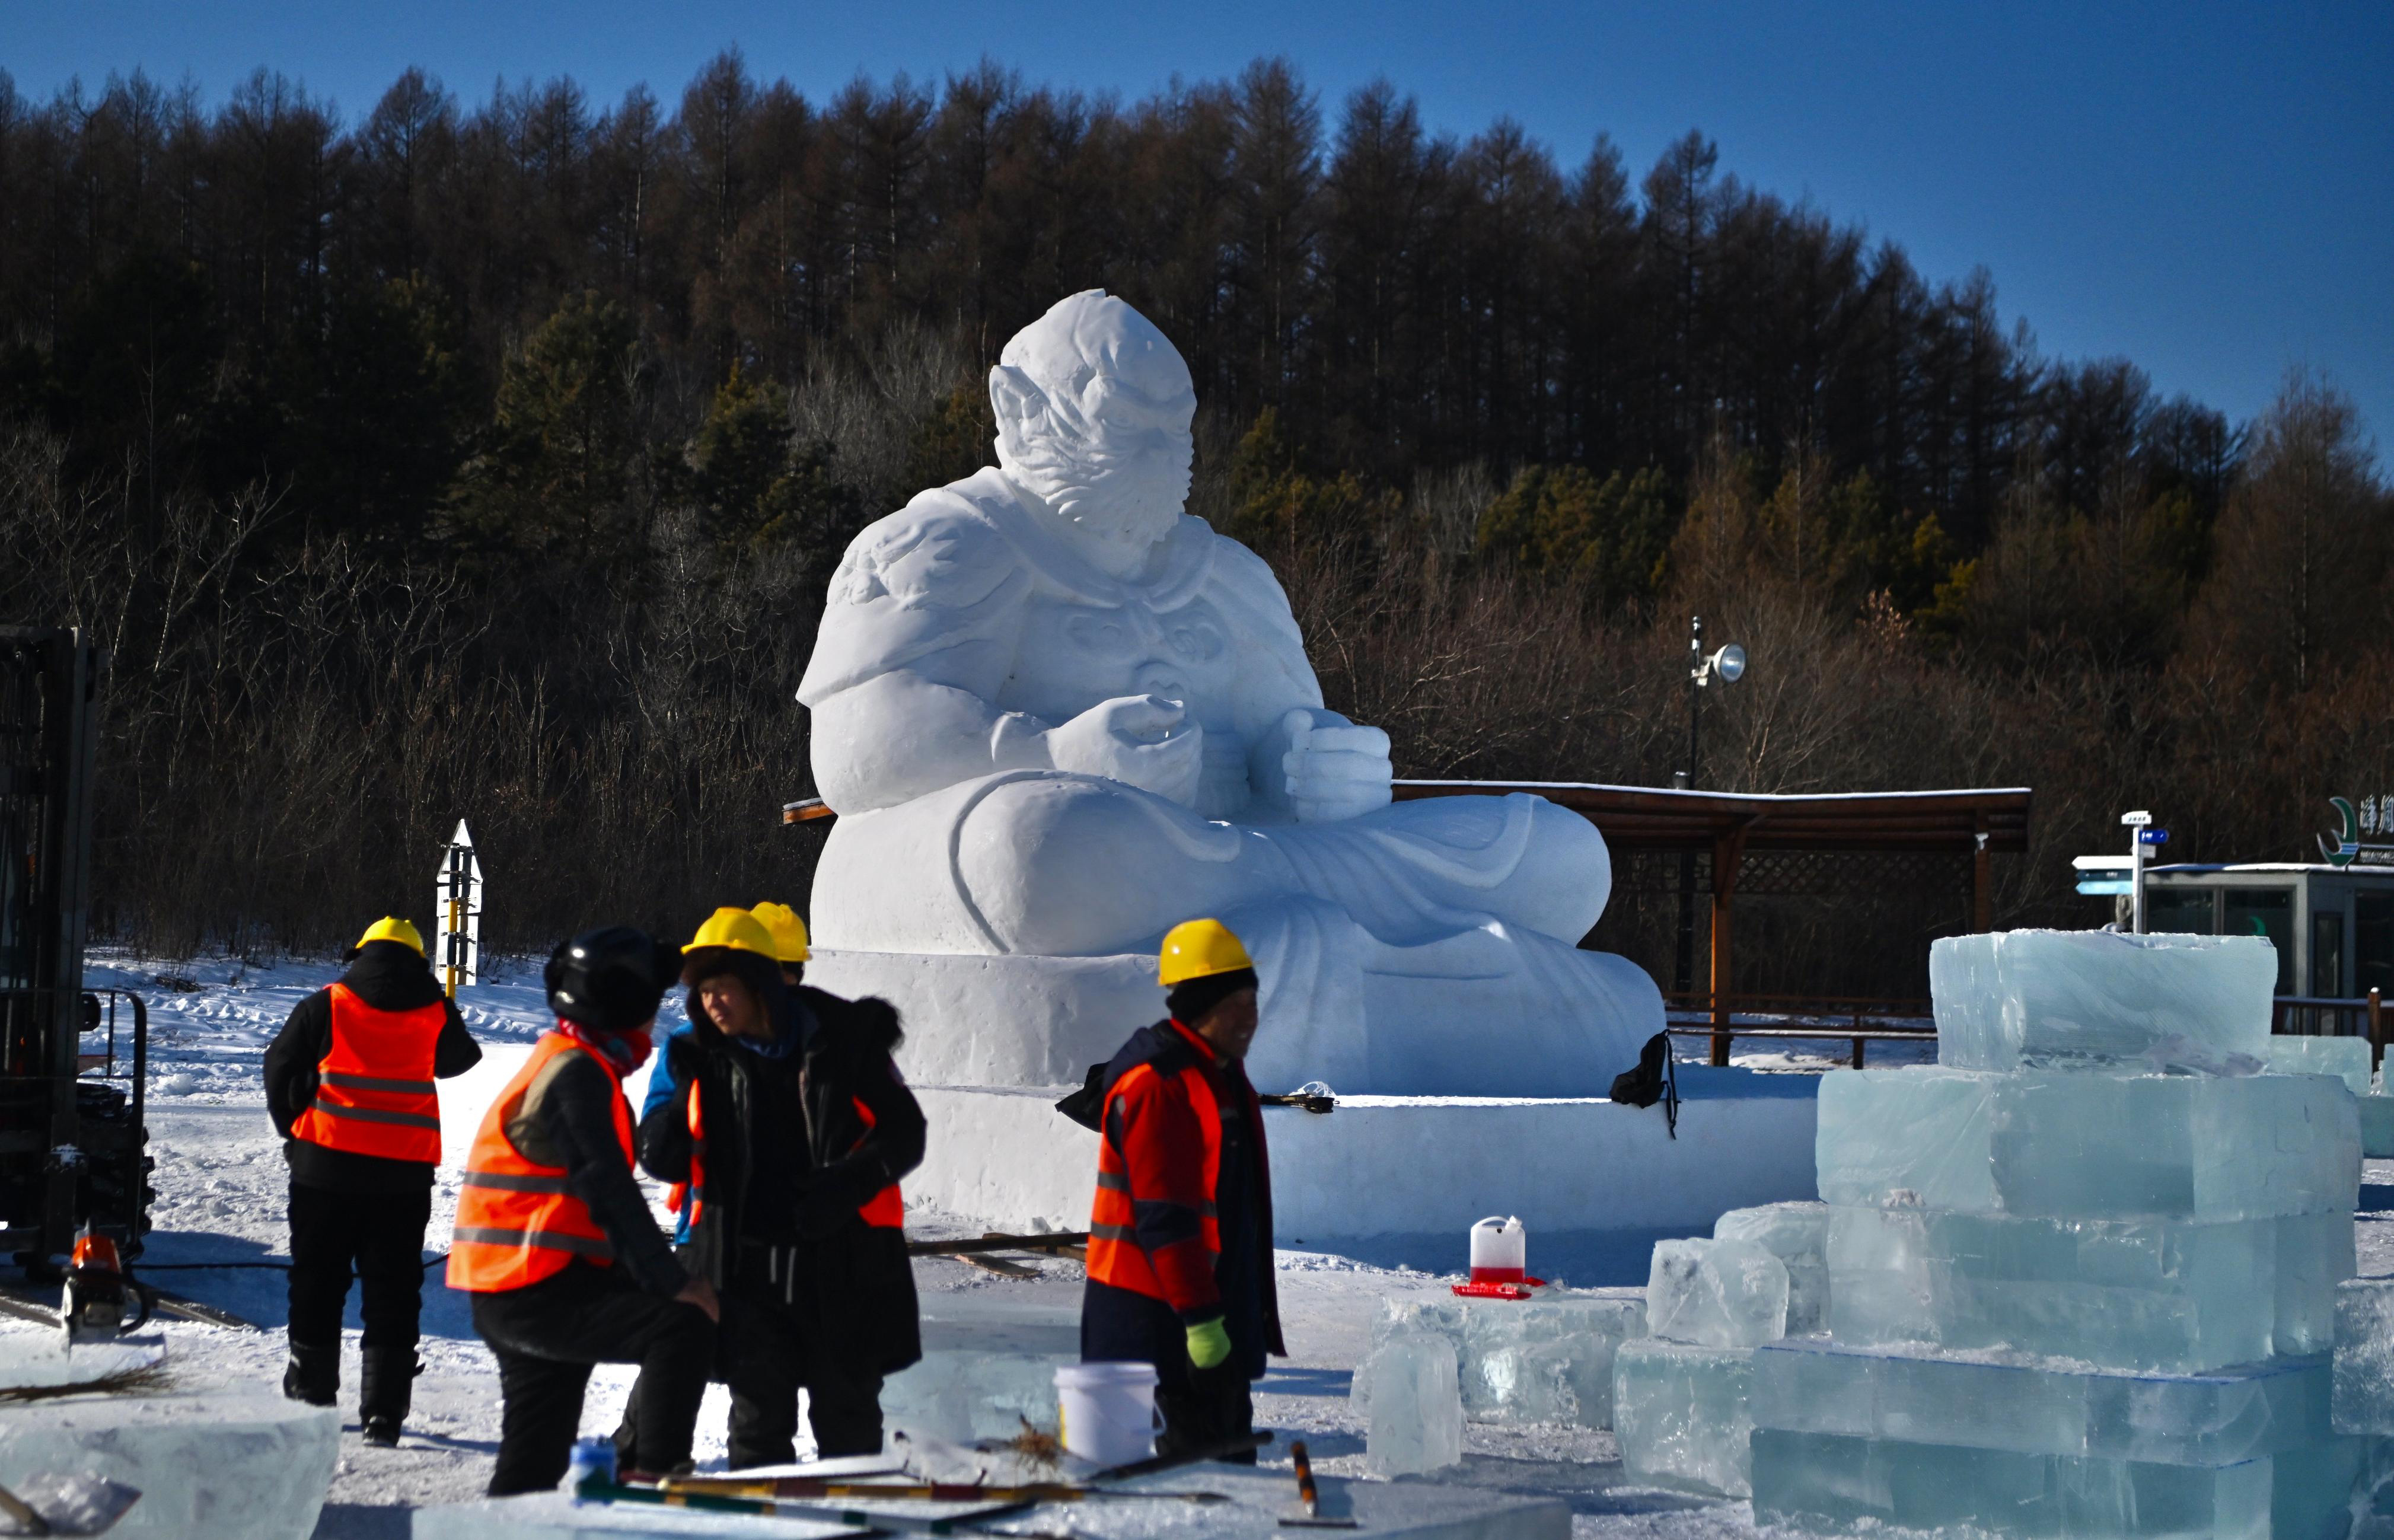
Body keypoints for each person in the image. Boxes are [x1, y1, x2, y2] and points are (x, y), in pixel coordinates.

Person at [624, 905, 925, 1469]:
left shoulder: (845, 1041)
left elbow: (906, 1134)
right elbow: (662, 1156)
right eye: (704, 991)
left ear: (762, 984)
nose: (712, 1002)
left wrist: (844, 1188)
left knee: (849, 1426)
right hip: (749, 1280)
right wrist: (666, 1125)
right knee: (757, 1430)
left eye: (724, 988)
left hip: (842, 1269)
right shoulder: (697, 1055)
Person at [447, 927, 721, 1495]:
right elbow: (607, 1188)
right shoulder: (577, 1075)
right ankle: (655, 1468)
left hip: (521, 1288)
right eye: (651, 1008)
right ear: (625, 1007)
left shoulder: (572, 1063)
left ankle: (517, 1522)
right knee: (682, 1321)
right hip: (533, 1290)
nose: (654, 1024)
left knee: (534, 1459)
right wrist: (671, 1281)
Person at [1066, 917, 1283, 1461]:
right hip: (1160, 1329)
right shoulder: (1159, 1084)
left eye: (1253, 1001)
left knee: (1228, 1478)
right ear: (1201, 1005)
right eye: (1237, 1003)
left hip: (1207, 1309)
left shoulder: (1219, 1073)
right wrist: (1203, 1325)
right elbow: (1166, 1216)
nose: (1251, 1017)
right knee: (1188, 1491)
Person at [266, 916, 482, 1445]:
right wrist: (433, 996)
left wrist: (293, 1130)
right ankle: (384, 1413)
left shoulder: (327, 1003)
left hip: (324, 1167)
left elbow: (278, 1064)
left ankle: (313, 1396)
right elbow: (462, 1058)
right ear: (418, 961)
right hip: (402, 1178)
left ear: (359, 952)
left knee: (318, 1279)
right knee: (393, 1289)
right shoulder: (433, 1011)